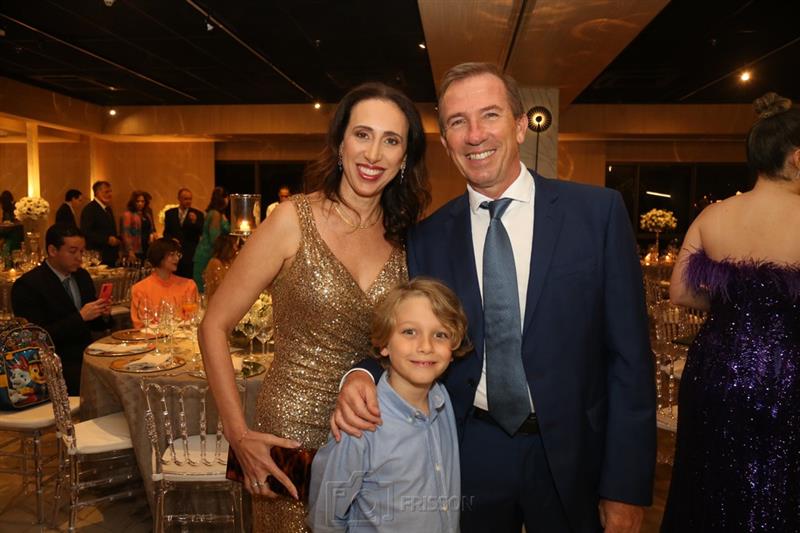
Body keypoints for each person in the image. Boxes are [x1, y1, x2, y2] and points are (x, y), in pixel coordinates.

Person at [334, 62, 655, 533]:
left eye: (490, 115)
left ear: (520, 125)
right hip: (466, 451)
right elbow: (407, 332)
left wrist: (625, 485)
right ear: (446, 143)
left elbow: (631, 358)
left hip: (574, 454)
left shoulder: (596, 215)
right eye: (457, 122)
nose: (474, 135)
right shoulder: (427, 238)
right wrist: (362, 372)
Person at [198, 82, 430, 533]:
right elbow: (214, 325)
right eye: (362, 134)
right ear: (340, 142)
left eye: (391, 140)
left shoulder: (408, 238)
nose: (374, 153)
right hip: (289, 434)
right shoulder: (291, 220)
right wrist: (237, 433)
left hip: (374, 432)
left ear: (404, 158)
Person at [661, 93, 800, 532]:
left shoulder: (714, 215)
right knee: (780, 485)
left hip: (716, 369)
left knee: (710, 481)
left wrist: (732, 308)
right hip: (789, 372)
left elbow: (681, 293)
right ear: (797, 158)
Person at [308, 278, 470, 533]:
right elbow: (326, 519)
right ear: (384, 344)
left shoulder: (442, 400)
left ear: (452, 347)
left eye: (440, 335)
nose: (426, 346)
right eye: (409, 332)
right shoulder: (360, 420)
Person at [10, 224, 110, 394]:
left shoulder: (82, 276)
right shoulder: (28, 285)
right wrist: (80, 317)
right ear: (52, 250)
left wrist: (103, 314)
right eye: (73, 251)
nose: (79, 257)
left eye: (82, 251)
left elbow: (95, 325)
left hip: (87, 356)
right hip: (52, 365)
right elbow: (35, 337)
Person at [130, 238, 199, 329]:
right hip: (152, 337)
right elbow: (140, 324)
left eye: (178, 254)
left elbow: (192, 320)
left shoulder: (188, 285)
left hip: (183, 336)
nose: (177, 258)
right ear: (158, 256)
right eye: (172, 254)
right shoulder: (140, 289)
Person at [192, 187, 230, 292]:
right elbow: (214, 238)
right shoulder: (215, 214)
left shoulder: (217, 214)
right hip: (207, 254)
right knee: (205, 289)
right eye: (227, 197)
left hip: (209, 253)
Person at [163, 188, 204, 278]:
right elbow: (166, 232)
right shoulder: (169, 213)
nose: (188, 201)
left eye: (190, 199)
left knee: (188, 277)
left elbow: (201, 231)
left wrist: (194, 222)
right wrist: (171, 239)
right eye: (185, 199)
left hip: (190, 252)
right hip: (174, 251)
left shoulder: (198, 214)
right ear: (179, 198)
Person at [80, 181, 120, 266]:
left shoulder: (108, 209)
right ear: (97, 193)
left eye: (110, 191)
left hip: (110, 255)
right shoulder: (90, 209)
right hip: (97, 255)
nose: (109, 194)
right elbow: (86, 232)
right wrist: (106, 239)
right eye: (106, 192)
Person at [202, 234, 240, 301]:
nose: (236, 249)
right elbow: (220, 287)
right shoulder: (215, 263)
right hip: (218, 301)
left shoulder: (230, 262)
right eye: (234, 245)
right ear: (226, 247)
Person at [120, 190, 154, 263]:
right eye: (137, 201)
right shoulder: (128, 215)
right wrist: (130, 251)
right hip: (135, 249)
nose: (140, 203)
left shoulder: (147, 215)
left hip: (147, 248)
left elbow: (151, 229)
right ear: (133, 202)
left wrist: (151, 235)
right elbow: (126, 234)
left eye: (142, 201)